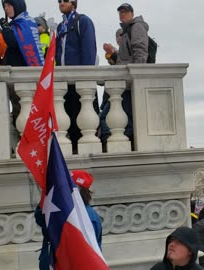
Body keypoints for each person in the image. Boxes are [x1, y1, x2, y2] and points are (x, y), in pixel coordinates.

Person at [100, 3, 150, 144]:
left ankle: (120, 142)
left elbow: (140, 52)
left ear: (132, 13)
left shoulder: (136, 27)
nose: (122, 14)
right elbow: (124, 59)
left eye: (125, 12)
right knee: (123, 116)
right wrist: (112, 54)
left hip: (129, 82)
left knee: (114, 116)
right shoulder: (127, 30)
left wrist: (136, 77)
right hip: (124, 82)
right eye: (120, 12)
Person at [34, 169, 102, 269]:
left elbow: (84, 253)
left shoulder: (88, 216)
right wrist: (47, 196)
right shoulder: (61, 210)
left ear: (78, 190)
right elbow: (41, 220)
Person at [55, 0, 97, 154]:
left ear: (73, 3)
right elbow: (58, 53)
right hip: (64, 80)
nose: (61, 3)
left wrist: (87, 76)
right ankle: (71, 148)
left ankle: (82, 150)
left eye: (65, 1)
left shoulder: (83, 21)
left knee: (82, 116)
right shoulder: (61, 26)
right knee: (68, 115)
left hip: (79, 78)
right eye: (59, 1)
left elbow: (89, 49)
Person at [0, 0, 44, 125]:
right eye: (5, 6)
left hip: (23, 77)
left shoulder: (24, 23)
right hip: (16, 76)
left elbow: (14, 43)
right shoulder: (18, 23)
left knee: (24, 113)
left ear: (17, 6)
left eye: (9, 5)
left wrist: (6, 29)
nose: (7, 9)